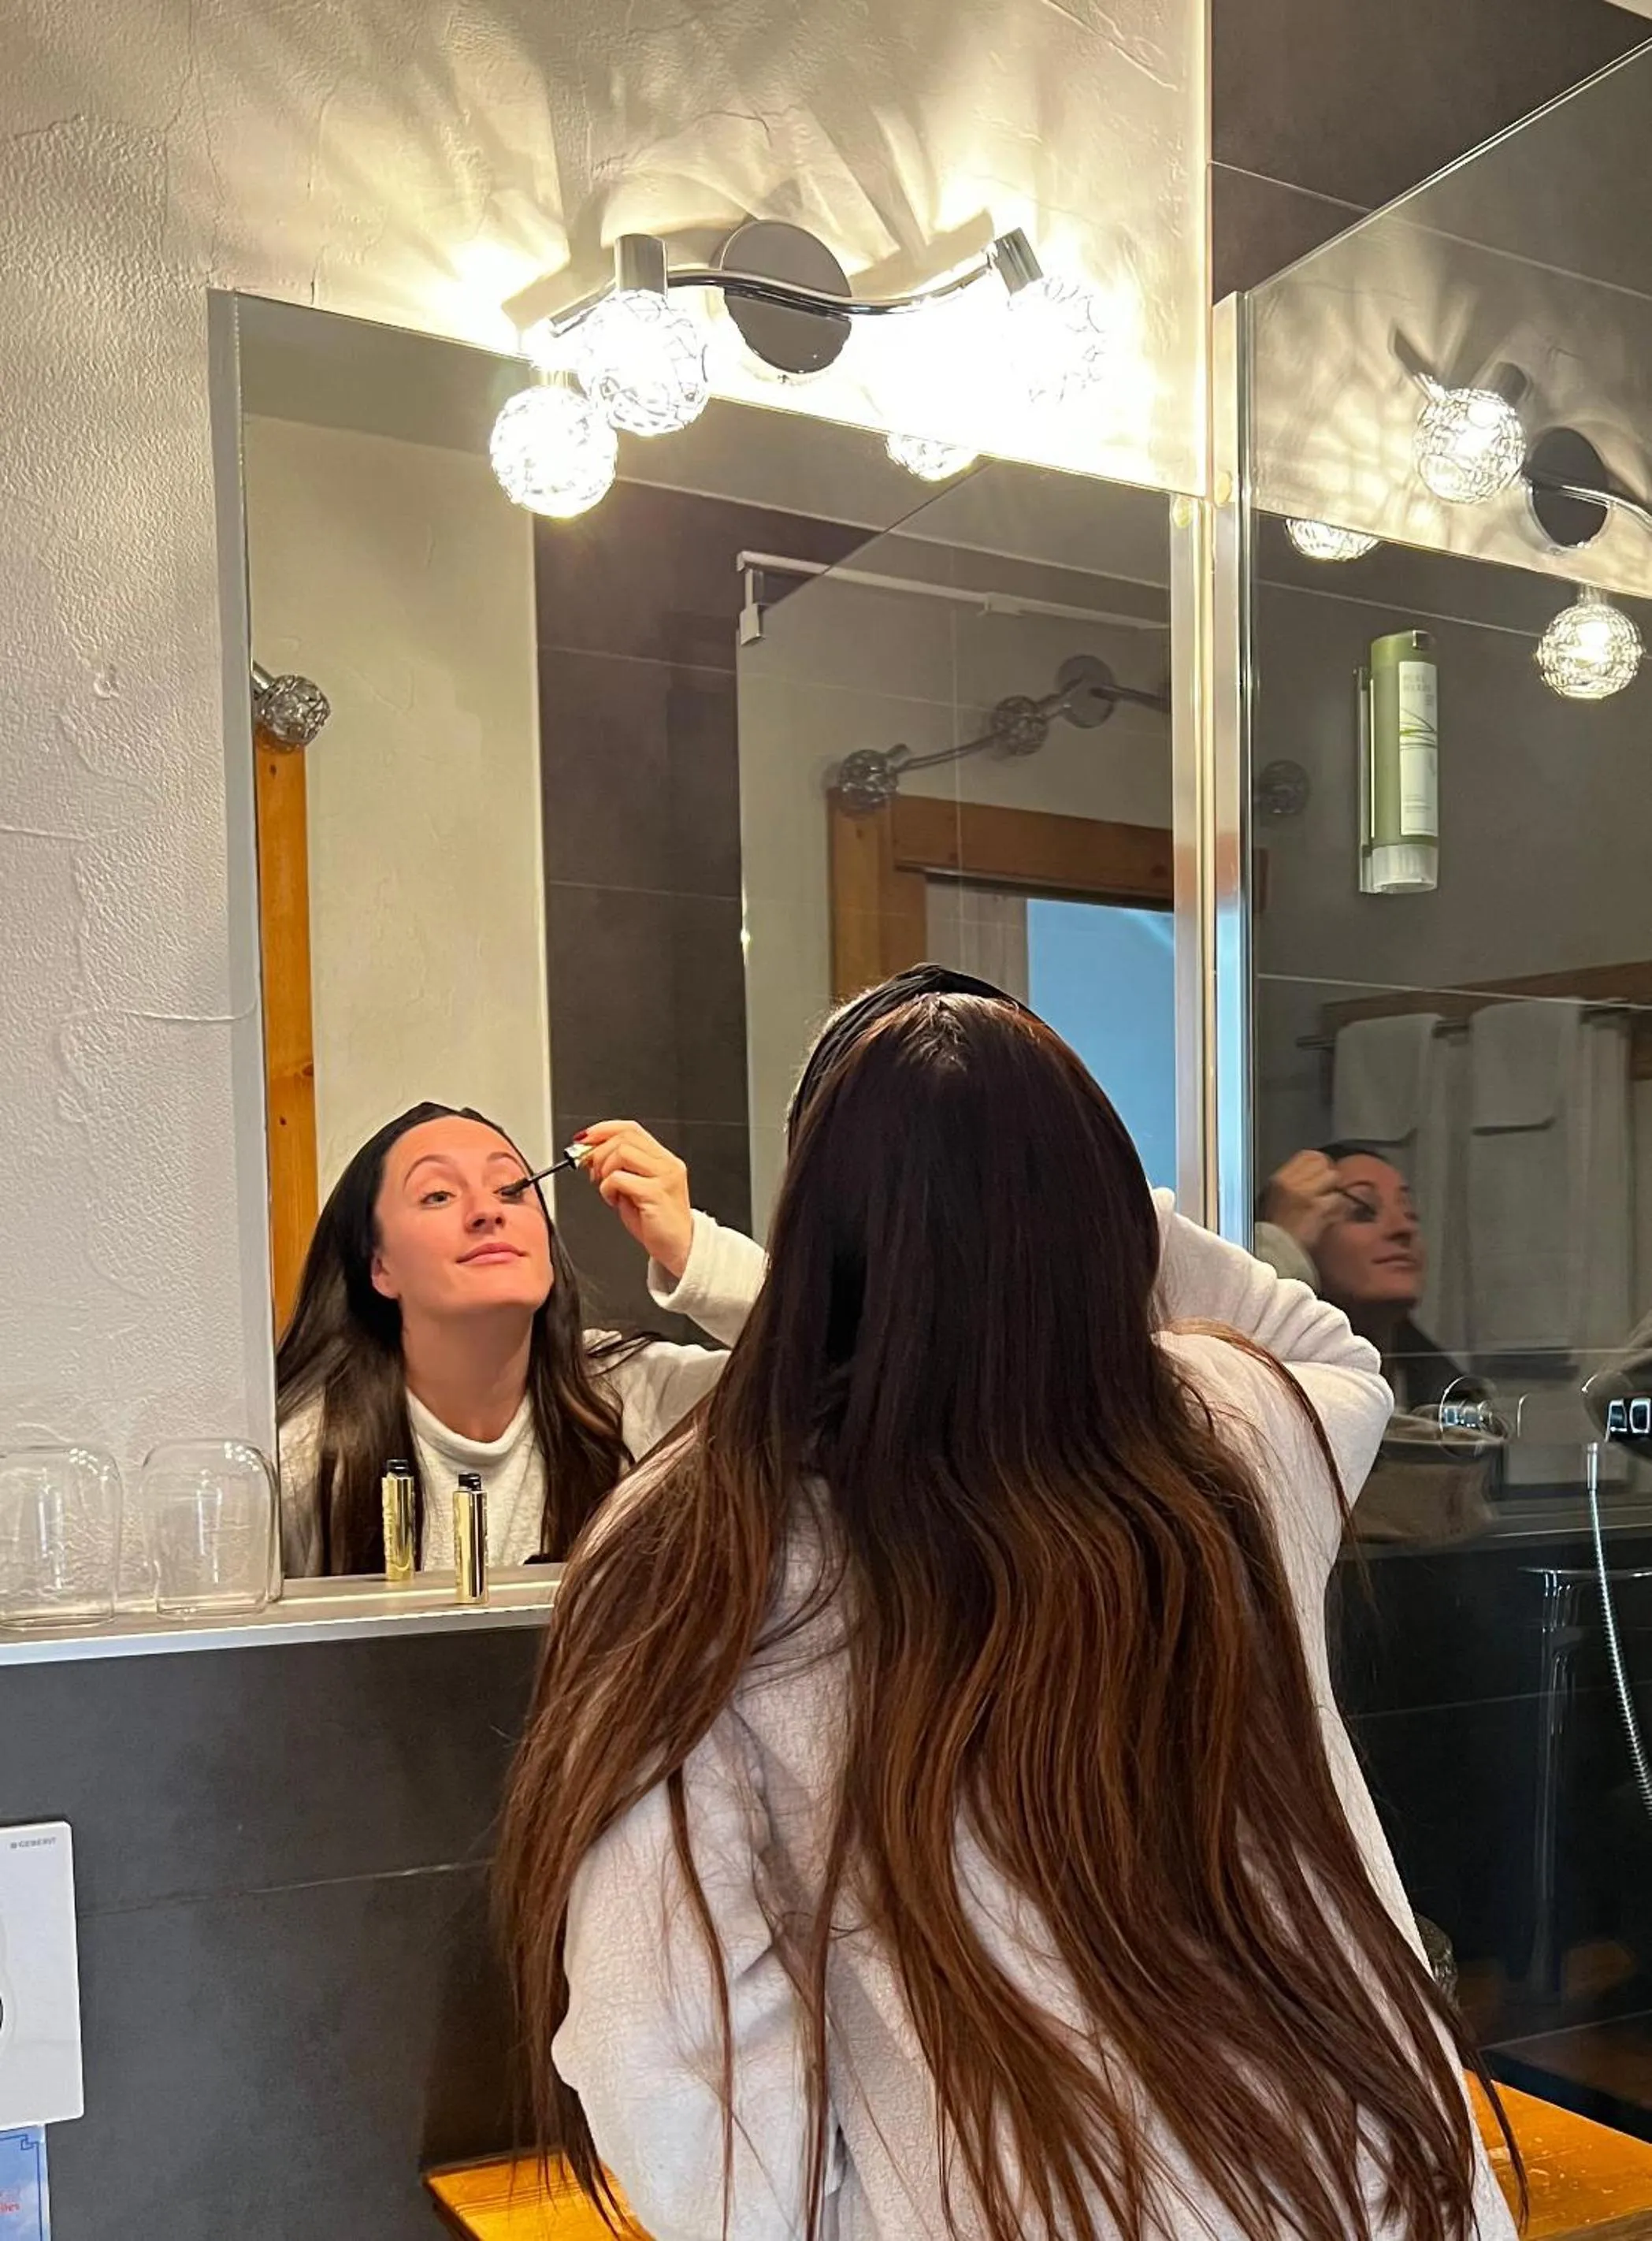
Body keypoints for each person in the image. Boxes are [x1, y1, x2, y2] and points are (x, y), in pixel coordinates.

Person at [498, 969, 1518, 2241]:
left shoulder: (698, 1546)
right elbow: (1332, 1352)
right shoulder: (1228, 1443)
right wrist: (1037, 1165)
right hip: (1380, 2192)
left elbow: (679, 2083)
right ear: (1105, 1222)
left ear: (812, 1229)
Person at [276, 1104, 766, 1575]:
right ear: (379, 1267)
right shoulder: (304, 1463)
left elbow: (831, 1367)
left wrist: (695, 1251)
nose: (487, 1212)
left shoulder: (640, 1399)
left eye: (511, 1190)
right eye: (438, 1195)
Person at [1258, 1143, 1497, 1548]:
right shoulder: (1267, 1400)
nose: (1403, 1230)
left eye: (1411, 1214)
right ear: (1303, 1246)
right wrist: (1277, 1246)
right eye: (1363, 1210)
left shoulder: (1460, 1402)